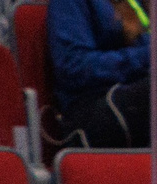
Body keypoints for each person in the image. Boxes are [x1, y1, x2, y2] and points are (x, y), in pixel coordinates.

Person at [48, 0, 149, 147]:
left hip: (136, 93)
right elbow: (74, 68)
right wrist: (146, 56)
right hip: (91, 109)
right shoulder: (70, 3)